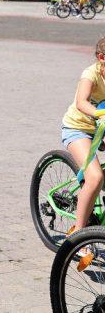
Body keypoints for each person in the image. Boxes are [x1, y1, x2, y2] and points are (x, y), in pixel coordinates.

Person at [60, 37, 105, 255]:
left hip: (101, 130)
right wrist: (100, 112)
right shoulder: (91, 74)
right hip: (78, 129)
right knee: (95, 177)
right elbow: (81, 102)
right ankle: (78, 236)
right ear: (101, 58)